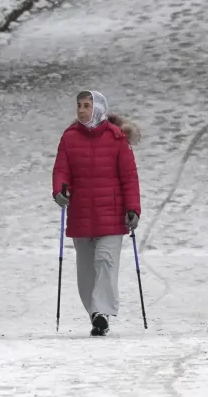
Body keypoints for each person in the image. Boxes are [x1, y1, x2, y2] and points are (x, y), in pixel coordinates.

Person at [52, 90, 142, 336]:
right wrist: (60, 191)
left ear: (99, 108)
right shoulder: (69, 138)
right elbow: (61, 170)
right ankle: (94, 312)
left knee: (105, 261)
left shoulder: (116, 138)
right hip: (80, 213)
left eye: (87, 106)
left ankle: (102, 312)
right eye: (79, 105)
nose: (82, 110)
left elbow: (129, 177)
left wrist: (133, 208)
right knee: (86, 270)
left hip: (111, 214)